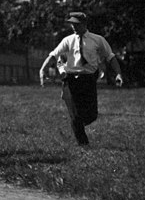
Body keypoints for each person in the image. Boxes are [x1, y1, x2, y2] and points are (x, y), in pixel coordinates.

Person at [39, 12, 123, 146]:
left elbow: (110, 57)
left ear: (84, 24)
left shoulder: (97, 40)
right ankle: (84, 145)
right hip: (70, 79)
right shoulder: (67, 41)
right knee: (75, 114)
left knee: (91, 115)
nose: (73, 27)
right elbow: (55, 57)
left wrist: (118, 73)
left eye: (76, 24)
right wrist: (44, 70)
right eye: (72, 24)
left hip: (88, 80)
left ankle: (78, 125)